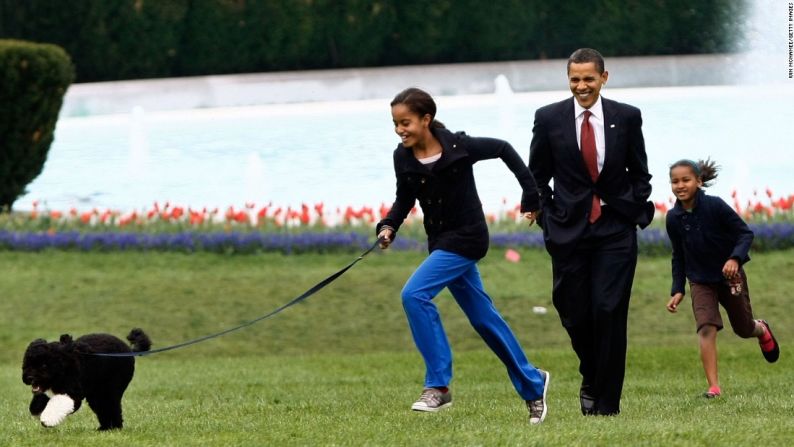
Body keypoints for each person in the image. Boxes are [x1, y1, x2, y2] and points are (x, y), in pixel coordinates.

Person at [376, 87, 550, 424]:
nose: (400, 130)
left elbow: (503, 149)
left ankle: (438, 386)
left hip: (468, 238)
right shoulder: (404, 157)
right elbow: (404, 200)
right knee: (485, 320)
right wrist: (388, 226)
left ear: (426, 119)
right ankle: (533, 383)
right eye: (396, 124)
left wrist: (532, 197)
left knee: (414, 294)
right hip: (441, 241)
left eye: (406, 122)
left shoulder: (459, 146)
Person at [527, 48, 654, 416]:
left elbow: (640, 172)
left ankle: (606, 404)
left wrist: (630, 205)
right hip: (568, 230)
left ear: (604, 78)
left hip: (615, 228)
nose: (581, 86)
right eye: (575, 79)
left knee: (608, 310)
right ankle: (591, 374)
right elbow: (537, 175)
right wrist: (548, 213)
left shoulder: (626, 117)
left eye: (588, 79)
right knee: (573, 312)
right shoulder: (548, 118)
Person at [665, 158, 779, 398]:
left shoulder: (715, 206)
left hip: (730, 277)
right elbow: (678, 256)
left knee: (743, 328)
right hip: (699, 281)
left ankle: (761, 329)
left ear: (699, 181)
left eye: (686, 180)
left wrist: (735, 259)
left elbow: (744, 233)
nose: (680, 185)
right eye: (675, 181)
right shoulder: (673, 218)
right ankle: (714, 387)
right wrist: (678, 289)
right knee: (706, 328)